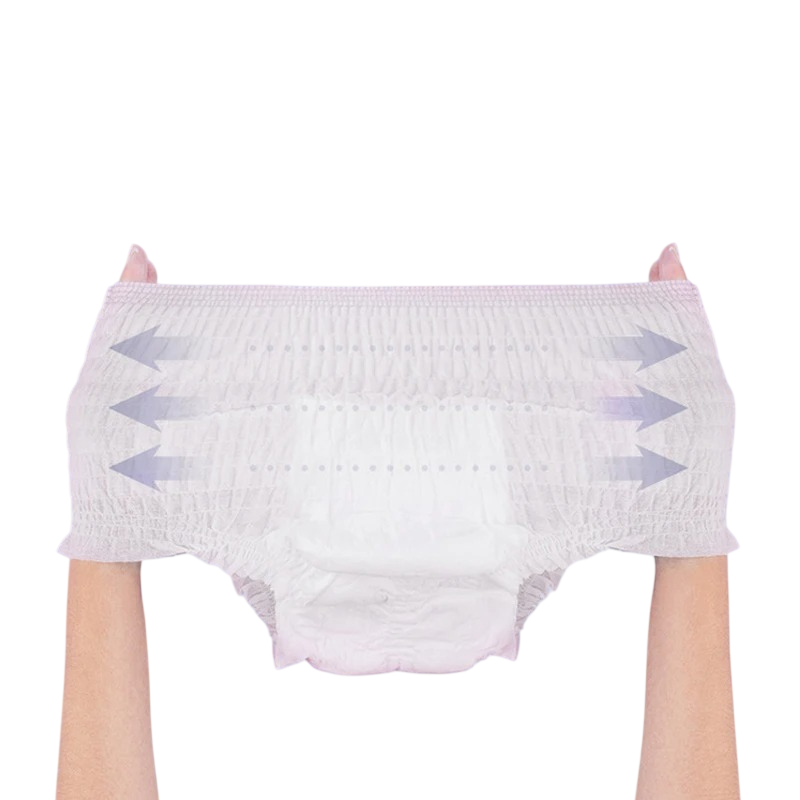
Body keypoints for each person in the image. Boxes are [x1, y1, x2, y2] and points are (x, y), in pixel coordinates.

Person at [55, 244, 740, 799]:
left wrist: (109, 509)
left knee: (114, 537)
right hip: (584, 380)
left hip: (221, 387)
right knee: (684, 533)